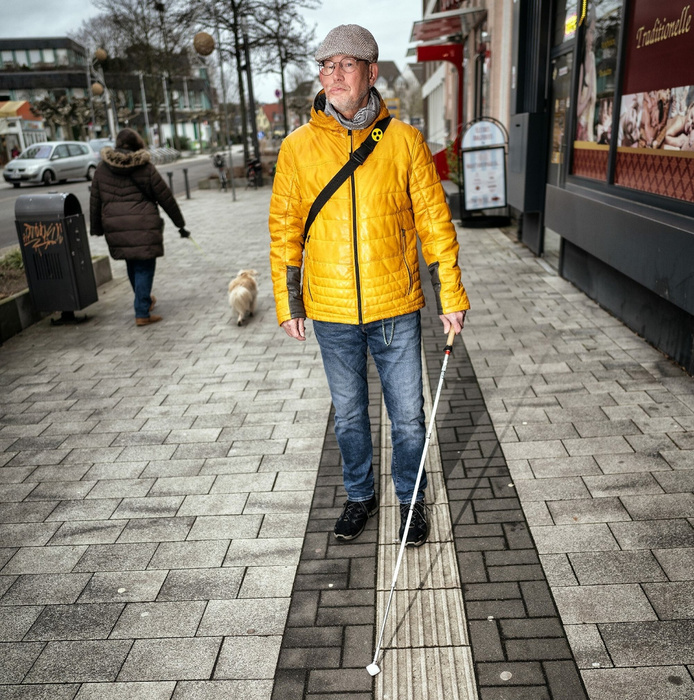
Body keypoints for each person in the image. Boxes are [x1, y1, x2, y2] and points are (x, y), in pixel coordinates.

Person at [269, 24, 469, 547]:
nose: (333, 75)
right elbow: (285, 231)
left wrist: (451, 294)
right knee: (351, 417)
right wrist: (289, 303)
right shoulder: (297, 148)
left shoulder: (404, 142)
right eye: (325, 66)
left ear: (371, 72)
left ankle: (410, 500)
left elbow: (435, 225)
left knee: (407, 417)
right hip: (331, 310)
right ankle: (360, 495)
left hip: (395, 308)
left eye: (346, 65)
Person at [89, 128, 190, 326]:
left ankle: (143, 300)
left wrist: (97, 228)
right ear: (137, 145)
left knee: (132, 264)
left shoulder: (102, 168)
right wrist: (180, 225)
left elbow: (95, 200)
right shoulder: (145, 168)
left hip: (116, 226)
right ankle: (142, 312)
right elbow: (165, 198)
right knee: (144, 266)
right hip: (143, 225)